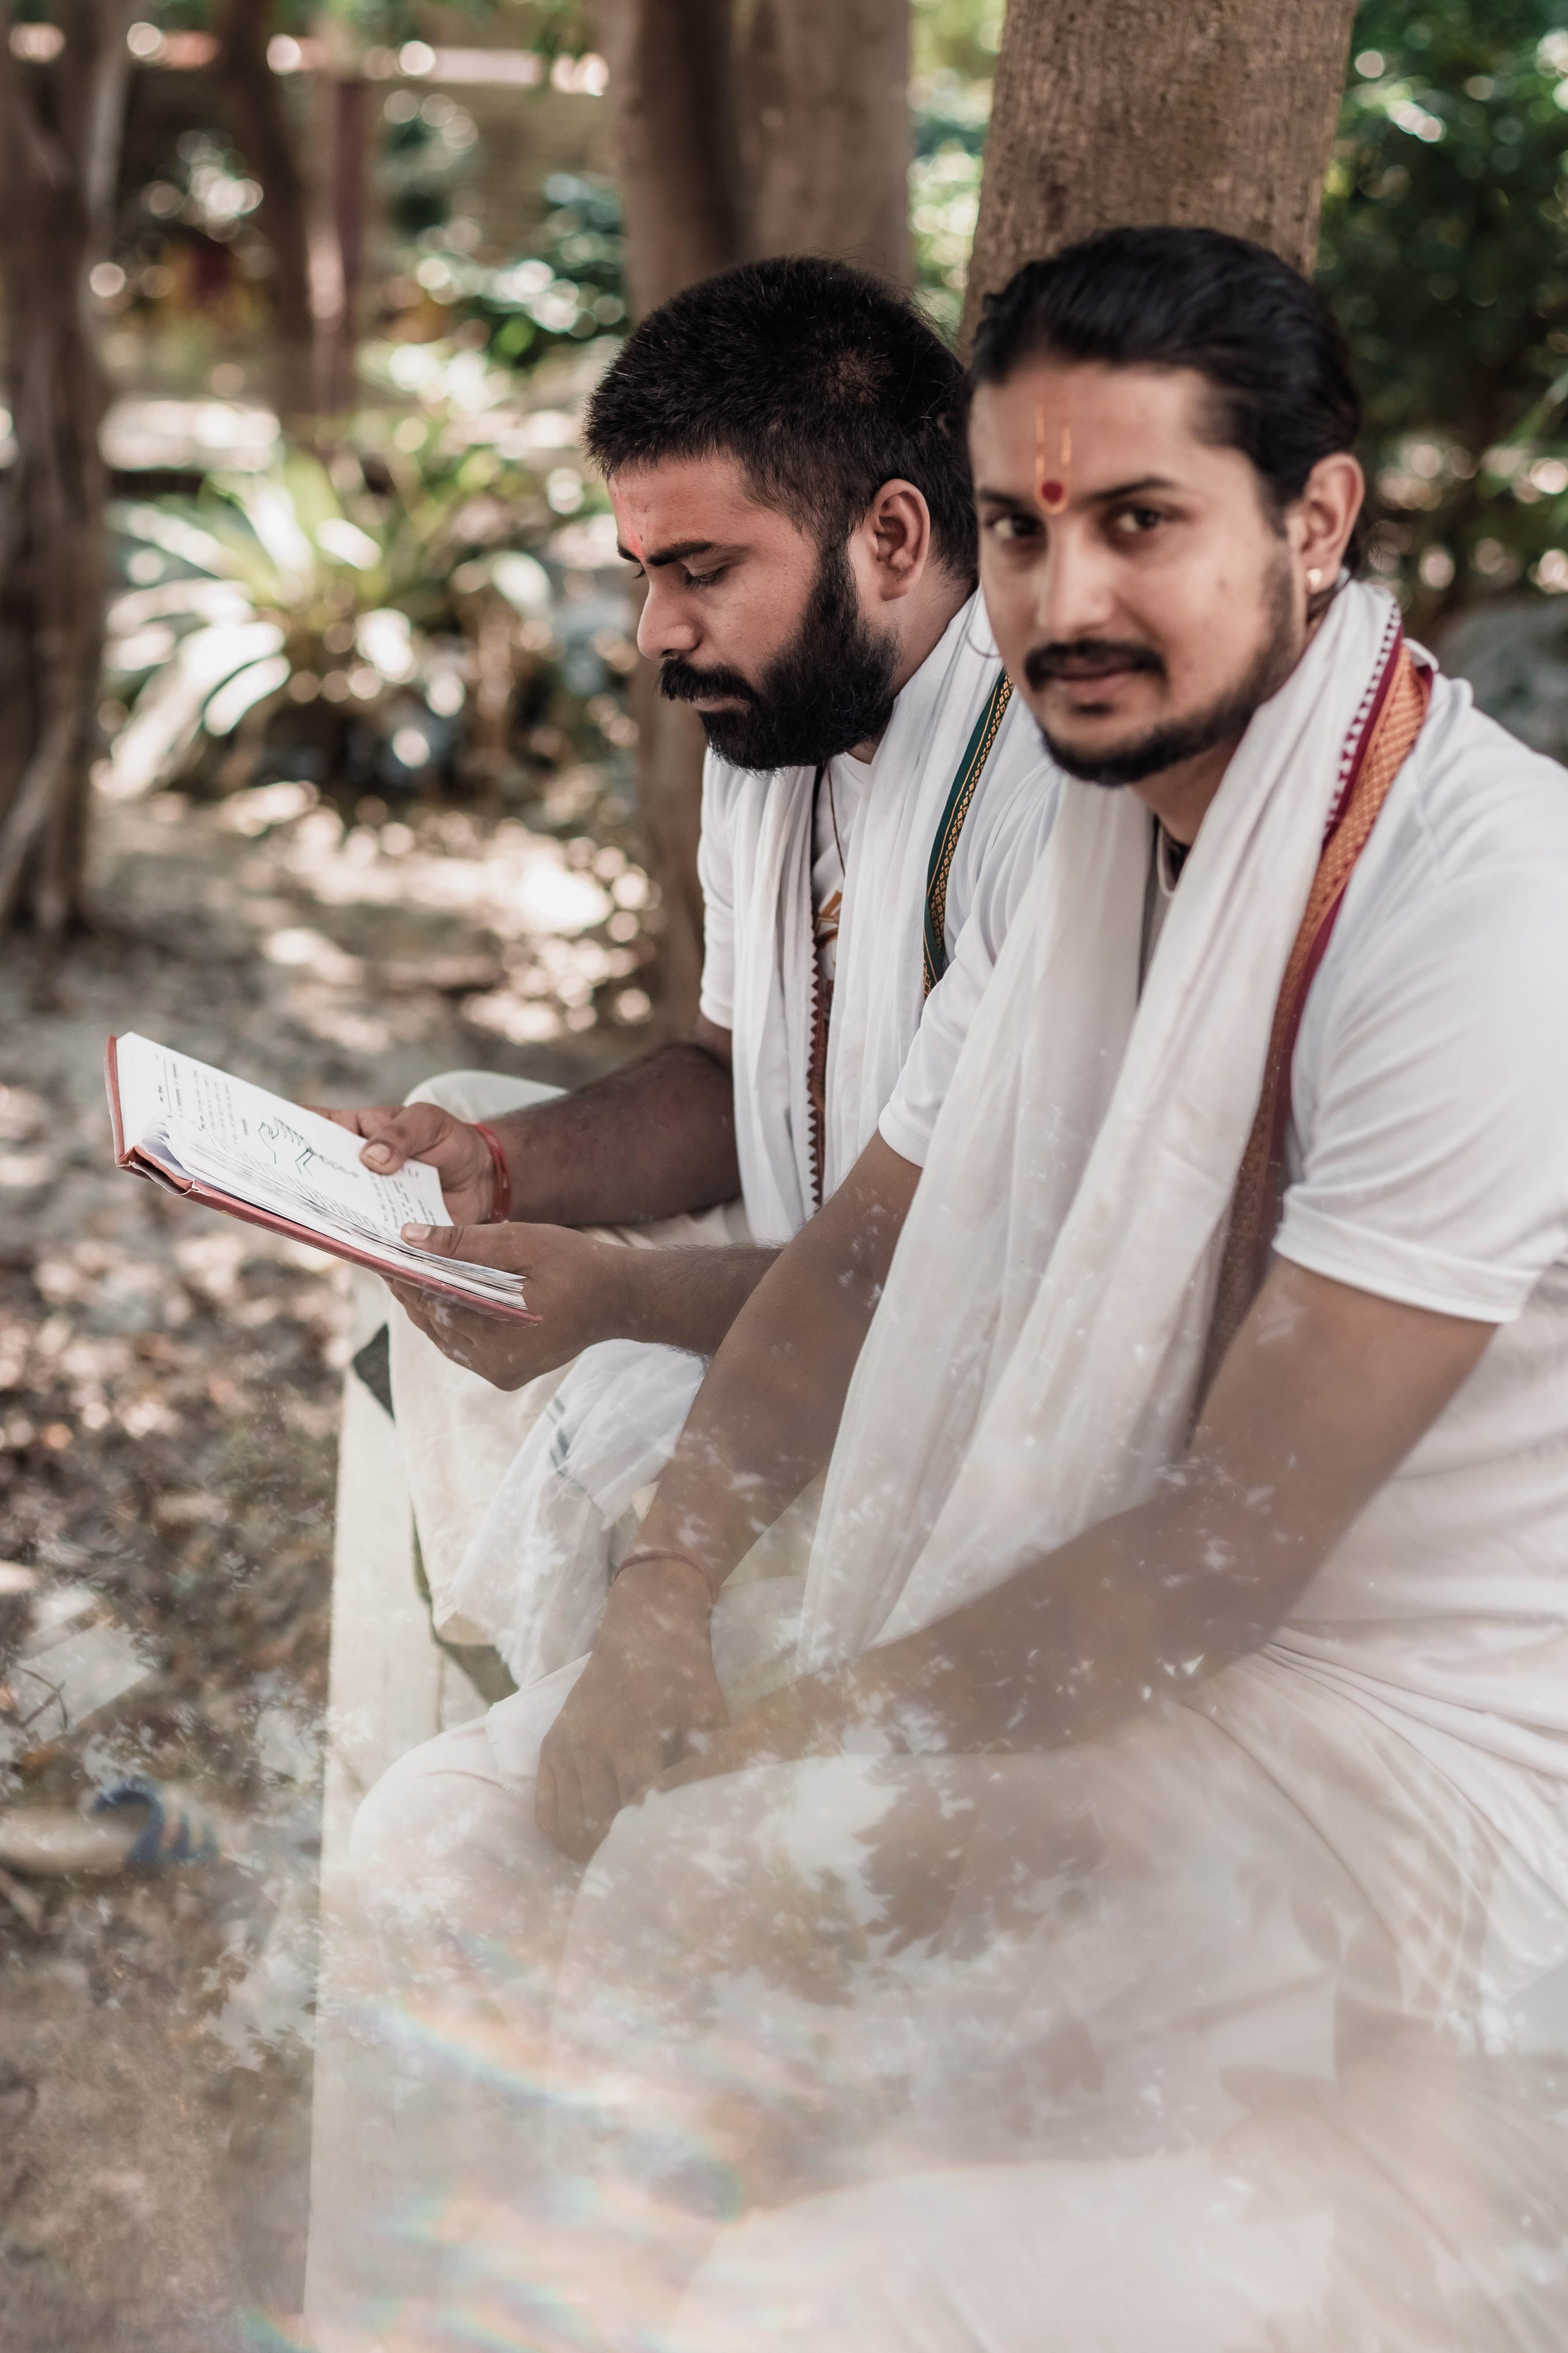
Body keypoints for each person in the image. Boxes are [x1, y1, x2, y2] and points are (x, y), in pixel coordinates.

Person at [341, 229, 1568, 2351]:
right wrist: (660, 1609)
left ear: (1319, 523)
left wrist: (811, 1745)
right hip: (1110, 1644)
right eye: (1026, 526)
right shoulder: (1112, 832)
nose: (1066, 598)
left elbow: (1226, 1553)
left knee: (714, 1945)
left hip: (1400, 1772)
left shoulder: (1486, 914)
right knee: (464, 1860)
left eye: (1143, 522)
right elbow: (858, 1257)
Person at [325, 255, 1057, 1687]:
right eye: (644, 573)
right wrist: (492, 1162)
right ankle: (481, 1717)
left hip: (950, 1408)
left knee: (606, 1430)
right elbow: (733, 1077)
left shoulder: (1047, 782)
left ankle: (559, 1767)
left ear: (893, 537)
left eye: (702, 571)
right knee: (420, 1188)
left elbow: (967, 1286)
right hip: (794, 1273)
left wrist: (618, 1296)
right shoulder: (775, 719)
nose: (657, 630)